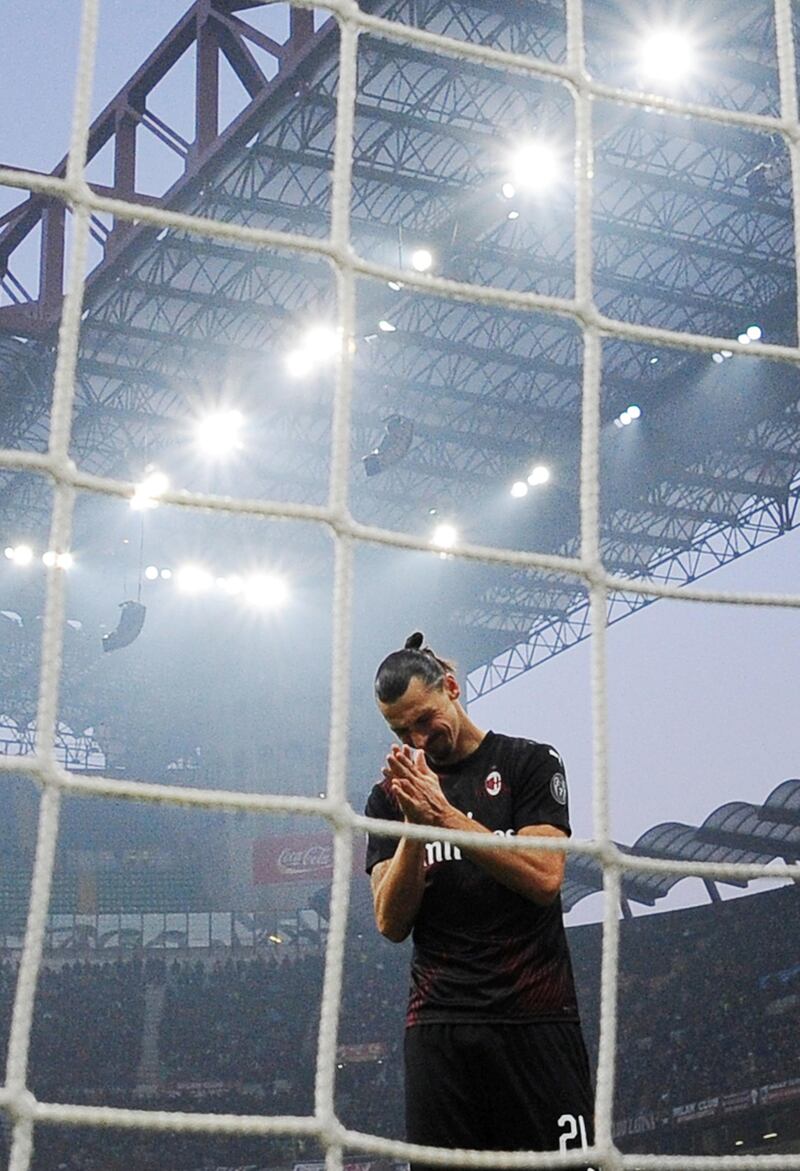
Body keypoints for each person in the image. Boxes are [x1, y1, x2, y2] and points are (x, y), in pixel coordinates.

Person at [364, 632, 594, 1170]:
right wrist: (416, 826)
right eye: (402, 731)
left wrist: (444, 816)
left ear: (451, 688)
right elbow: (389, 922)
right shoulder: (390, 797)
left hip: (535, 1020)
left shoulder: (528, 764)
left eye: (424, 721)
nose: (418, 740)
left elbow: (543, 877)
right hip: (441, 1028)